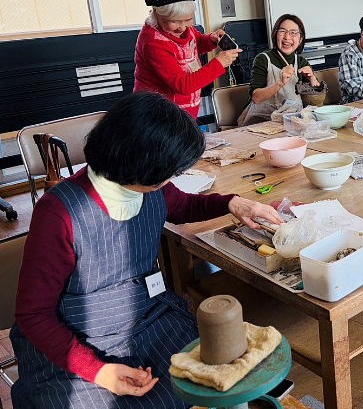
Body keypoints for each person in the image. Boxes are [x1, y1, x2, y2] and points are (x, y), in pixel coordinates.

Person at [11, 92, 285, 408]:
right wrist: (100, 371)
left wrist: (233, 203)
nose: (171, 180)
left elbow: (182, 206)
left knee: (210, 379)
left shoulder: (148, 185)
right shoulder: (60, 214)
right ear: (140, 166)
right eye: (169, 174)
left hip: (146, 317)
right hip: (76, 338)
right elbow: (34, 315)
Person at [134, 0, 241, 118]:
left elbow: (194, 44)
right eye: (174, 21)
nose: (182, 27)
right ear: (156, 14)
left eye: (188, 19)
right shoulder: (153, 42)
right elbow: (182, 85)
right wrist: (219, 63)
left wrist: (211, 39)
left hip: (183, 111)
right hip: (158, 114)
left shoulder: (185, 29)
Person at [238, 14, 320, 126]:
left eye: (293, 33)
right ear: (275, 34)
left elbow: (316, 101)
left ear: (300, 39)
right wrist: (280, 83)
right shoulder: (263, 59)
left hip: (292, 119)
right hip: (262, 120)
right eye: (282, 31)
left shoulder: (302, 62)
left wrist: (312, 78)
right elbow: (256, 98)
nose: (287, 37)